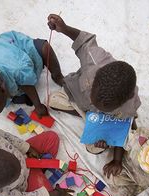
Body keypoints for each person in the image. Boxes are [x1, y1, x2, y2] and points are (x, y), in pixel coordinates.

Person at [46, 14, 141, 154]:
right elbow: (84, 41)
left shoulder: (128, 106)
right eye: (93, 97)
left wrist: (115, 155)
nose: (94, 103)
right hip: (77, 94)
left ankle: (88, 118)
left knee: (94, 147)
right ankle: (85, 115)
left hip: (104, 121)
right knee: (51, 100)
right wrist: (64, 28)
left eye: (104, 107)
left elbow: (126, 127)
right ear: (96, 76)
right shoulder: (94, 60)